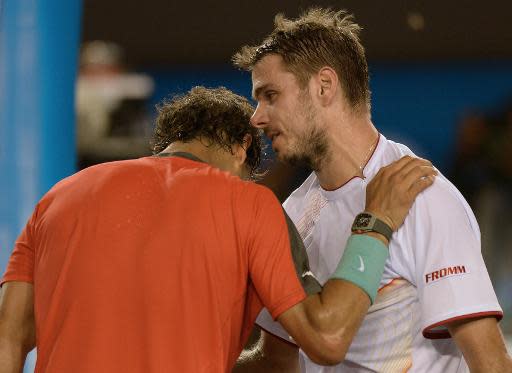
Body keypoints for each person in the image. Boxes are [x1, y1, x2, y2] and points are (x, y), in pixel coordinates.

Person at [0, 86, 435, 373]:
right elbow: (326, 337)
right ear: (242, 146)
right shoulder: (248, 202)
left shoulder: (58, 198)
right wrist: (375, 222)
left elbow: (10, 337)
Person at [232, 8, 512, 373]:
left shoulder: (423, 196)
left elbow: (490, 363)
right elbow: (277, 360)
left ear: (324, 86)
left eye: (270, 95)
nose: (256, 116)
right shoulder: (292, 211)